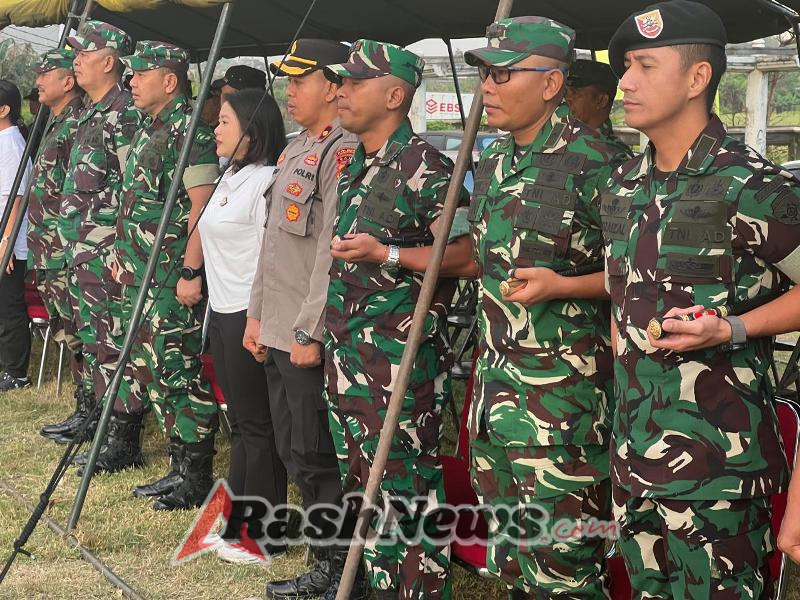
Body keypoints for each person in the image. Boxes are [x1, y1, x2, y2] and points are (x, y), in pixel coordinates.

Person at [604, 2, 800, 597]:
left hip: (718, 472)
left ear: (697, 78)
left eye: (644, 65)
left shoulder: (752, 185)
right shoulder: (623, 187)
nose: (626, 81)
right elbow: (621, 302)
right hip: (634, 457)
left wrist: (735, 329)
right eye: (624, 66)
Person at [455, 17, 631, 599]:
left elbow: (639, 279)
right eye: (484, 74)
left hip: (563, 413)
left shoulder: (603, 164)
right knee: (512, 562)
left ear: (552, 84)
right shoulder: (494, 161)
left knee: (563, 572)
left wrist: (563, 286)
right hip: (495, 401)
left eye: (503, 74)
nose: (488, 87)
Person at [321, 39, 470, 600]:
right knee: (364, 484)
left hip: (396, 361)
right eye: (342, 81)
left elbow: (466, 255)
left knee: (405, 491)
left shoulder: (425, 165)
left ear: (394, 95)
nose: (341, 91)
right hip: (350, 356)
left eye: (355, 83)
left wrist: (387, 253)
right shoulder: (358, 161)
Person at [243, 38, 360, 600]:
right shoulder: (296, 149)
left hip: (305, 332)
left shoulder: (344, 151)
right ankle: (325, 559)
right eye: (287, 81)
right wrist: (257, 317)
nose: (289, 92)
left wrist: (309, 331)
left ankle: (339, 571)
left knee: (317, 456)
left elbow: (330, 254)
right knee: (294, 449)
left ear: (334, 87)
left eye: (300, 81)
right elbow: (273, 245)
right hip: (278, 325)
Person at [114, 41, 220, 511]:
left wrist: (191, 271)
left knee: (179, 369)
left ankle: (196, 475)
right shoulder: (149, 127)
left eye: (141, 74)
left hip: (171, 276)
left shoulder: (191, 131)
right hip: (141, 273)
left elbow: (202, 206)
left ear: (170, 80)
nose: (132, 81)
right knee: (153, 368)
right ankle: (178, 466)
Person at [198, 88, 288, 563]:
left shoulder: (267, 182)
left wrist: (260, 318)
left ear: (251, 134)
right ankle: (237, 524)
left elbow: (273, 257)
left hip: (249, 314)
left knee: (259, 427)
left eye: (225, 122)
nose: (216, 128)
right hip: (221, 311)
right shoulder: (228, 177)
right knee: (241, 424)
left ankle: (265, 535)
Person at [58, 21, 146, 469]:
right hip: (82, 252)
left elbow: (135, 190)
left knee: (114, 346)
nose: (76, 61)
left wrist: (119, 251)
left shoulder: (125, 113)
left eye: (84, 53)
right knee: (95, 342)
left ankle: (123, 441)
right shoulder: (90, 112)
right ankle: (100, 423)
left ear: (109, 61)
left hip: (107, 253)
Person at [26, 50, 91, 440]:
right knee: (67, 329)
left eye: (46, 74)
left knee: (81, 331)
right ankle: (82, 406)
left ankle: (91, 411)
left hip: (65, 249)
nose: (38, 81)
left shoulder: (79, 124)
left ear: (68, 82)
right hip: (47, 249)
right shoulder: (56, 122)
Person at [0, 79, 33, 391]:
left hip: (7, 240)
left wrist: (6, 242)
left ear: (4, 110)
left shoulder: (10, 143)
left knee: (9, 307)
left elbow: (15, 197)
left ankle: (17, 373)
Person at [565, 58, 633, 159]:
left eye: (575, 93)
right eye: (567, 92)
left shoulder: (616, 157)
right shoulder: (561, 139)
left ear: (601, 100)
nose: (568, 98)